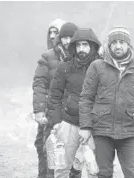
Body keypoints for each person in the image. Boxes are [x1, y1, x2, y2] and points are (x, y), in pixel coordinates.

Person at [78, 26, 134, 178]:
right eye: (114, 42)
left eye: (122, 42)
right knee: (102, 174)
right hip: (102, 130)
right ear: (109, 44)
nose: (118, 46)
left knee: (133, 173)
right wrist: (85, 126)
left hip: (129, 131)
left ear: (128, 44)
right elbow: (86, 98)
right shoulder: (97, 66)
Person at [47, 28, 101, 178]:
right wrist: (57, 122)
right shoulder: (65, 67)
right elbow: (55, 96)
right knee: (63, 168)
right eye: (78, 45)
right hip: (68, 123)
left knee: (94, 169)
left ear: (93, 46)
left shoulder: (102, 67)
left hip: (94, 126)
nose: (81, 49)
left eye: (85, 45)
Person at [33, 21, 77, 178]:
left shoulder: (81, 57)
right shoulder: (47, 57)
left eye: (55, 32)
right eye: (51, 32)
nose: (53, 36)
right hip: (52, 115)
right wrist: (39, 110)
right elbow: (39, 84)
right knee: (48, 156)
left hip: (73, 117)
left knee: (73, 163)